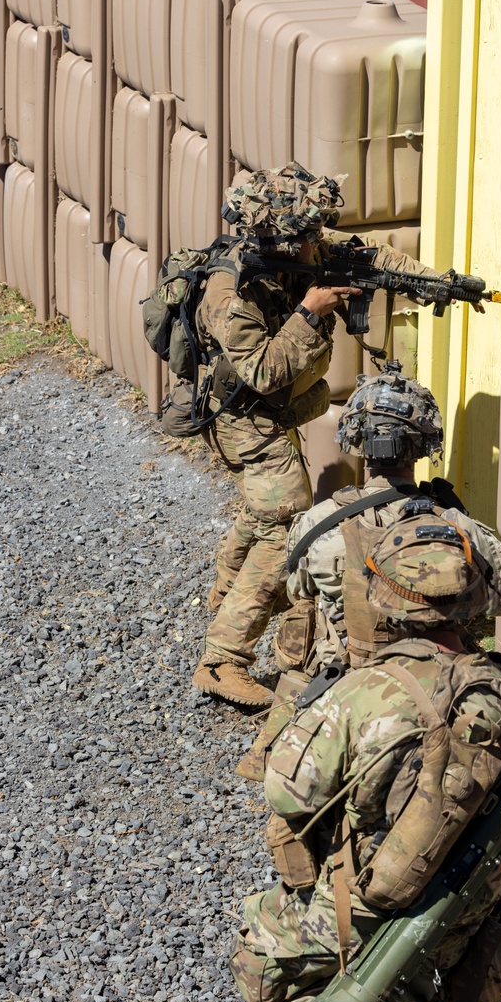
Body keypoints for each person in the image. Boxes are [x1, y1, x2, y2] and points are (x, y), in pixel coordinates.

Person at [228, 518, 501, 1002]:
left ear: (390, 600)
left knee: (270, 966)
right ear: (470, 603)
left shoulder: (364, 693)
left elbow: (288, 790)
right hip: (462, 905)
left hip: (364, 899)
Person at [191, 164, 444, 709]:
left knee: (262, 514)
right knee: (285, 519)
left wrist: (432, 283)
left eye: (314, 236)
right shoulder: (230, 294)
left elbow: (369, 256)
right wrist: (310, 312)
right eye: (305, 241)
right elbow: (262, 371)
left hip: (275, 409)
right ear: (277, 243)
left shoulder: (300, 246)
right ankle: (223, 658)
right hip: (244, 415)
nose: (315, 247)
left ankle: (226, 592)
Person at [283, 362, 501, 672]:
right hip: (431, 683)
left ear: (355, 439)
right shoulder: (456, 526)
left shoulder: (317, 523)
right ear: (425, 443)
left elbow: (298, 590)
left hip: (341, 684)